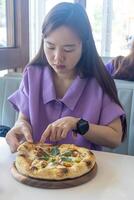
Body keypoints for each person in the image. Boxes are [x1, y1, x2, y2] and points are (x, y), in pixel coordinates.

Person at [6, 2, 126, 153]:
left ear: (84, 45)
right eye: (50, 46)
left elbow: (115, 137)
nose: (57, 57)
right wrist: (19, 126)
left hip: (80, 167)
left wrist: (77, 124)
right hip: (37, 166)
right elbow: (24, 119)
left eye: (69, 49)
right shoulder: (32, 74)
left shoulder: (98, 81)